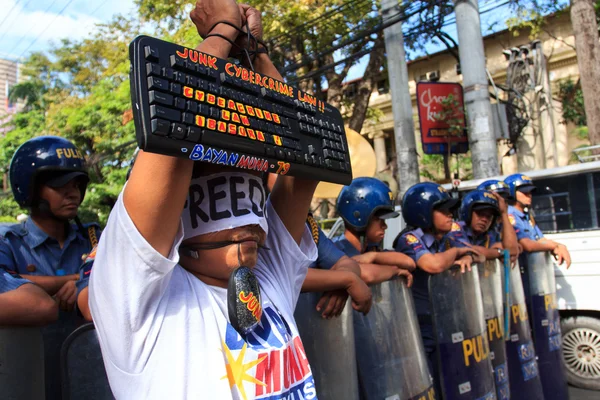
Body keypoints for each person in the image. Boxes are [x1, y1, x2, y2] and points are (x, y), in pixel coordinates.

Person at [89, 2, 325, 397]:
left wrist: (256, 49)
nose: (250, 218)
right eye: (221, 188)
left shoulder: (270, 274)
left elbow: (306, 150)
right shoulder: (137, 297)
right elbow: (176, 129)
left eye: (252, 188)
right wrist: (223, 29)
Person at [0, 135, 100, 399]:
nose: (73, 193)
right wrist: (78, 279)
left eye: (78, 183)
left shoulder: (95, 237)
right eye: (60, 185)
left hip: (89, 379)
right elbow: (6, 284)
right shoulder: (8, 241)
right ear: (30, 189)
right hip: (26, 381)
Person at [393, 182, 483, 394]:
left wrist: (466, 255)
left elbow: (477, 254)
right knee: (431, 386)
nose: (450, 215)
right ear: (423, 213)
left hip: (446, 323)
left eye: (450, 210)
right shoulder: (409, 239)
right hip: (420, 328)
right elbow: (432, 264)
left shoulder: (446, 241)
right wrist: (456, 254)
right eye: (443, 211)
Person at [334, 177, 416, 284]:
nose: (385, 226)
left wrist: (374, 256)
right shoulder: (335, 250)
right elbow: (367, 275)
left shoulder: (371, 250)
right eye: (380, 220)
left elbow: (409, 262)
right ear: (359, 216)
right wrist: (394, 271)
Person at [504, 174, 571, 267]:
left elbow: (540, 240)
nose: (529, 195)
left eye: (530, 192)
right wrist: (553, 246)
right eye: (524, 192)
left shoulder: (527, 215)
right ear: (511, 193)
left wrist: (559, 245)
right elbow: (527, 245)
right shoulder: (510, 215)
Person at [450, 189, 519, 260]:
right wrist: (501, 252)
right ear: (468, 213)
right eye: (480, 214)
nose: (484, 219)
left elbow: (512, 250)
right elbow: (468, 250)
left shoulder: (489, 233)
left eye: (489, 216)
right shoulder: (456, 228)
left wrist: (504, 213)